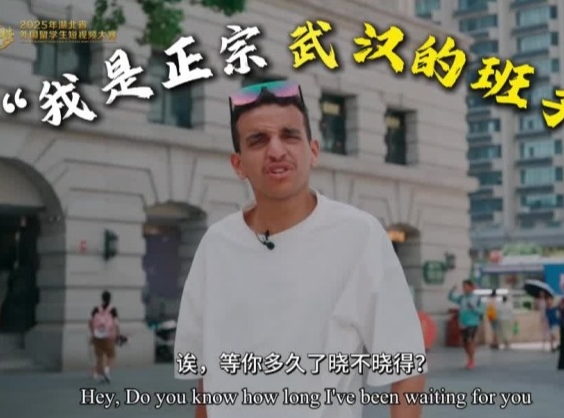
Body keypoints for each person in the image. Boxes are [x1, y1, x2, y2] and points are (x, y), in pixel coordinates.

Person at [173, 80, 426, 418]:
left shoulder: (359, 236)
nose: (276, 150)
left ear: (313, 151)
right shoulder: (215, 245)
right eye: (258, 140)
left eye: (289, 135)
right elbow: (207, 374)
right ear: (238, 164)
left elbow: (405, 363)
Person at [448, 280, 484, 369]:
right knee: (465, 343)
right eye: (463, 287)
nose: (464, 289)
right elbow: (451, 297)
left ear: (471, 287)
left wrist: (473, 308)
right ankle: (469, 357)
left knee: (469, 340)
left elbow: (482, 311)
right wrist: (452, 290)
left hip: (473, 322)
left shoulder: (477, 298)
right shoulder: (462, 298)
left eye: (466, 287)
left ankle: (471, 360)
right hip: (463, 323)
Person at [89, 290, 119, 383]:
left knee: (99, 356)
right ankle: (107, 369)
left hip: (97, 335)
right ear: (110, 298)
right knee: (111, 354)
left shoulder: (96, 309)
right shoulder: (113, 310)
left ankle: (99, 374)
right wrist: (117, 334)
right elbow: (116, 323)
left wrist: (93, 334)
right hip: (109, 335)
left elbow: (90, 322)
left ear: (102, 298)